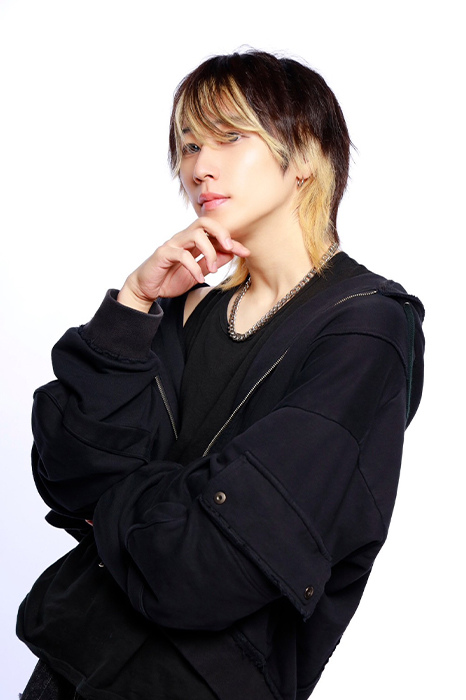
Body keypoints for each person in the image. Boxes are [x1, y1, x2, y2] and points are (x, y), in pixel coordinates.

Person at [17, 50, 425, 700]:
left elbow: (210, 568)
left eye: (231, 137)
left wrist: (106, 510)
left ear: (305, 152)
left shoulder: (364, 328)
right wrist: (133, 305)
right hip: (67, 674)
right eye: (188, 145)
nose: (199, 166)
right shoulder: (181, 308)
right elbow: (65, 470)